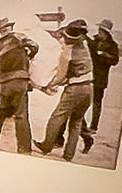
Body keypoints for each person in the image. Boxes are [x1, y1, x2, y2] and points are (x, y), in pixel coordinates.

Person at [35, 19, 97, 160]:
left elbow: (60, 76)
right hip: (89, 88)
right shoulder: (84, 46)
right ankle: (69, 154)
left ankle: (46, 145)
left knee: (57, 118)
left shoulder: (67, 53)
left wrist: (49, 85)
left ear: (67, 38)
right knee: (76, 122)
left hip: (74, 89)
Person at [0, 28, 34, 153]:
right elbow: (35, 46)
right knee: (21, 116)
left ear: (0, 32)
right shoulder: (20, 38)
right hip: (20, 81)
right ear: (10, 29)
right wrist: (29, 55)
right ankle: (24, 148)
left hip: (4, 83)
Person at [87, 19, 121, 132]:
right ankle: (82, 126)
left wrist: (105, 55)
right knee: (84, 102)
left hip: (101, 78)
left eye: (101, 30)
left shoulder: (112, 45)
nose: (99, 32)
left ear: (106, 32)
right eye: (99, 29)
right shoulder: (94, 41)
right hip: (90, 76)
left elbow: (115, 60)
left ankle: (93, 126)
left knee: (96, 103)